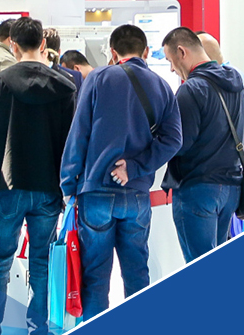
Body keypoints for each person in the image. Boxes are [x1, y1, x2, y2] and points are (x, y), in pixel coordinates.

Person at [60, 24, 183, 318]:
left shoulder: (98, 78)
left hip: (95, 192)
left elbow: (79, 133)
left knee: (95, 280)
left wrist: (68, 184)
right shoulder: (162, 86)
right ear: (145, 51)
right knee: (137, 276)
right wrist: (136, 166)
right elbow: (173, 139)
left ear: (113, 52)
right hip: (136, 194)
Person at [0, 17, 77, 335]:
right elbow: (70, 143)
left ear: (13, 45)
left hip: (9, 185)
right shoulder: (66, 86)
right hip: (49, 188)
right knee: (41, 262)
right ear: (43, 44)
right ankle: (38, 328)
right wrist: (68, 187)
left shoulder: (0, 83)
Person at [160, 28, 244, 261]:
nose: (171, 68)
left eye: (170, 60)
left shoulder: (191, 89)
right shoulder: (238, 84)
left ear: (182, 52)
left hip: (198, 190)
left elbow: (180, 143)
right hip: (231, 189)